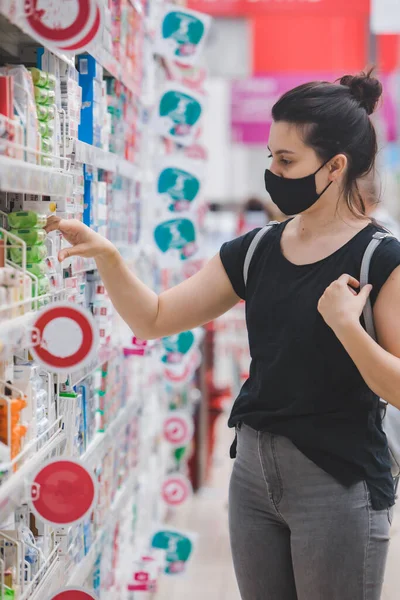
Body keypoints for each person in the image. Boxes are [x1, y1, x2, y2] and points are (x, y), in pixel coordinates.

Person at [47, 70, 400, 600]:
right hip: (253, 477)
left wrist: (348, 326)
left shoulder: (381, 259)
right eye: (270, 158)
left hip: (338, 481)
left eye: (287, 161)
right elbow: (157, 318)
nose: (273, 172)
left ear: (335, 167)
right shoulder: (254, 251)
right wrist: (109, 257)